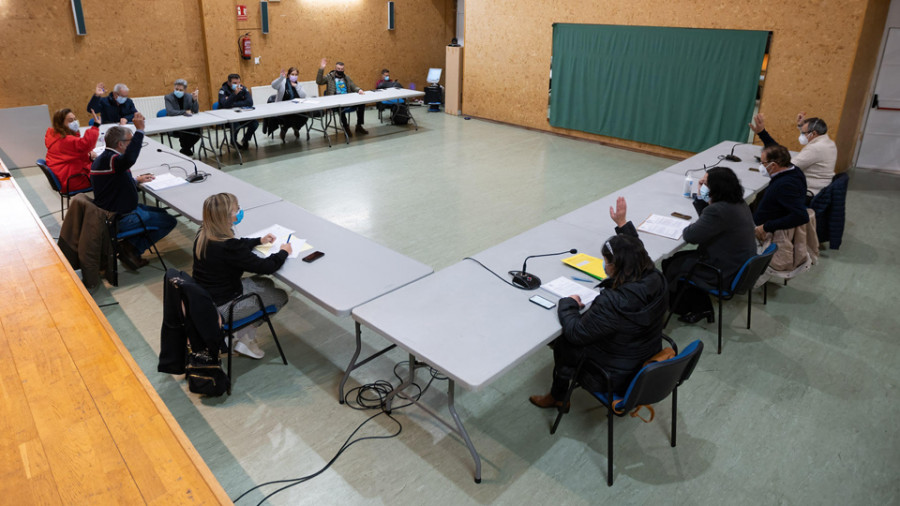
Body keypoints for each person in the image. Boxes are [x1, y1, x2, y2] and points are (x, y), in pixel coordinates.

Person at [530, 197, 667, 409]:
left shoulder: (613, 302)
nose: (604, 266)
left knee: (564, 341)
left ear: (617, 266)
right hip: (642, 355)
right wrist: (623, 225)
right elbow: (639, 252)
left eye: (606, 261)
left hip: (612, 374)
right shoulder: (655, 277)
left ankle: (558, 396)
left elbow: (576, 333)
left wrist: (568, 303)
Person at [192, 192, 292, 359]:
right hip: (224, 307)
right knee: (280, 295)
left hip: (206, 300)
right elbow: (266, 266)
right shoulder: (229, 247)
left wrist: (258, 240)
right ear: (226, 216)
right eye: (236, 209)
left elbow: (239, 245)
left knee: (264, 283)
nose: (239, 211)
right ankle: (246, 338)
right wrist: (283, 252)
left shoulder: (203, 233)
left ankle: (241, 335)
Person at [662, 167, 757, 324]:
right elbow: (710, 224)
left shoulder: (719, 210)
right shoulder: (738, 202)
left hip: (723, 270)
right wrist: (701, 197)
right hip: (739, 264)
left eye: (705, 183)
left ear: (717, 188)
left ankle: (690, 307)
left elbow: (691, 235)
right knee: (676, 258)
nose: (701, 184)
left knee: (672, 264)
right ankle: (697, 303)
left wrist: (701, 202)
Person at [90, 113, 177, 270]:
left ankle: (129, 246)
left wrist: (135, 180)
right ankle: (131, 249)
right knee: (170, 221)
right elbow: (129, 159)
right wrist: (140, 131)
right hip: (120, 218)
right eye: (130, 141)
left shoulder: (105, 159)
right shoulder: (112, 160)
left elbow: (113, 181)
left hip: (118, 211)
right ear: (121, 144)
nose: (133, 144)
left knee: (162, 214)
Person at [750, 112, 838, 196]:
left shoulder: (816, 148)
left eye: (803, 133)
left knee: (766, 193)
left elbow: (786, 166)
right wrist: (762, 133)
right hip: (820, 189)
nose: (801, 136)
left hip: (808, 192)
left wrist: (767, 161)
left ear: (814, 133)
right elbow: (785, 157)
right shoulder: (828, 142)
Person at [753, 144, 810, 242]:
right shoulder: (794, 170)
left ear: (774, 165)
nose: (761, 166)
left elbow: (801, 216)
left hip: (763, 231)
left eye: (763, 163)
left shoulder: (785, 185)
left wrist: (765, 227)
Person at [44, 108, 102, 192]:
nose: (74, 122)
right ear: (60, 123)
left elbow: (73, 153)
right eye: (70, 120)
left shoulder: (55, 135)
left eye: (74, 119)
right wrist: (95, 126)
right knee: (110, 175)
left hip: (64, 174)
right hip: (71, 179)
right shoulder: (66, 140)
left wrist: (87, 155)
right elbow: (87, 144)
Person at [316, 58, 368, 135]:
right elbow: (319, 81)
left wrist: (359, 90)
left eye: (342, 69)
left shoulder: (346, 78)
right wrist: (322, 68)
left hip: (347, 99)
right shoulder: (330, 77)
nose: (340, 70)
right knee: (341, 107)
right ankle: (345, 126)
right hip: (335, 101)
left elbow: (353, 86)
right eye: (338, 69)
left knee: (361, 104)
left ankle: (359, 126)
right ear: (335, 69)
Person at [218, 73, 258, 150]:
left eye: (239, 82)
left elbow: (250, 102)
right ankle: (233, 141)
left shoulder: (243, 88)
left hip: (242, 115)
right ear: (229, 83)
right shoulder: (223, 90)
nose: (237, 85)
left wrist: (232, 103)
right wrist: (234, 94)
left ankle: (246, 139)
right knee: (235, 124)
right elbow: (225, 105)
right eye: (234, 83)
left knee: (255, 123)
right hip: (228, 118)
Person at [164, 78, 201, 157]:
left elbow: (195, 110)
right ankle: (185, 148)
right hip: (174, 124)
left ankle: (185, 148)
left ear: (185, 90)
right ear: (174, 88)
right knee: (184, 131)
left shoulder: (188, 96)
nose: (178, 91)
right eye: (176, 89)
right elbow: (170, 112)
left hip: (187, 122)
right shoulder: (168, 97)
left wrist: (195, 100)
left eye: (181, 90)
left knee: (199, 130)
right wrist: (184, 112)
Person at [271, 67, 308, 142]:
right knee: (290, 117)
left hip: (296, 108)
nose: (294, 76)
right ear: (288, 75)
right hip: (283, 109)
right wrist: (281, 78)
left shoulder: (298, 84)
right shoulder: (283, 83)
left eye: (296, 74)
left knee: (305, 116)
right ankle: (284, 129)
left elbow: (303, 95)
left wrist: (296, 86)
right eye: (292, 74)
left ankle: (296, 128)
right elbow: (273, 85)